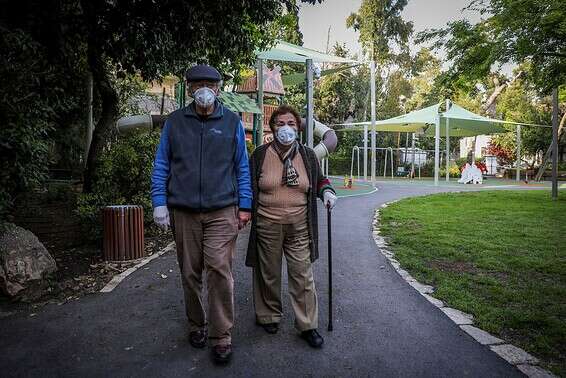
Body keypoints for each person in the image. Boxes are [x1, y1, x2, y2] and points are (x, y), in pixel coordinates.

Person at [150, 64, 252, 363]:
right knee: (189, 272)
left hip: (222, 209)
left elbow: (241, 167)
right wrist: (159, 201)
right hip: (184, 211)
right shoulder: (175, 123)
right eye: (199, 84)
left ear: (219, 89)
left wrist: (245, 205)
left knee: (219, 269)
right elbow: (162, 164)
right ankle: (197, 324)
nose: (205, 89)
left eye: (211, 84)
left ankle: (221, 335)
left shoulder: (232, 122)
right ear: (190, 88)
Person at [245, 105, 338, 348]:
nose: (286, 128)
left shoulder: (307, 155)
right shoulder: (259, 154)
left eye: (291, 124)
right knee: (268, 272)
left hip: (299, 225)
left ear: (298, 128)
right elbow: (248, 184)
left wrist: (327, 192)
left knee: (302, 274)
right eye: (280, 124)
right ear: (272, 127)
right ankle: (269, 315)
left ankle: (307, 325)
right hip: (267, 223)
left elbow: (320, 180)